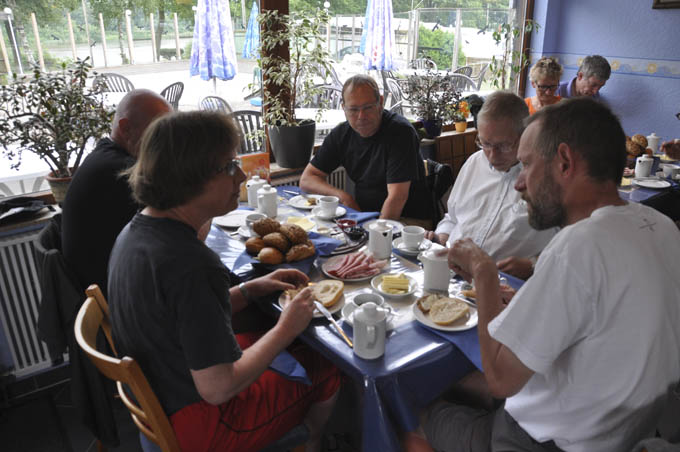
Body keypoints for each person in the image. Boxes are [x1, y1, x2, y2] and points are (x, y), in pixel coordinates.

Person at [413, 98, 680, 452]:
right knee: (452, 381)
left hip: (541, 441)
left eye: (526, 164)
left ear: (564, 162)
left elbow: (500, 379)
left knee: (412, 407)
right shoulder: (662, 226)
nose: (519, 183)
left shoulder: (577, 247)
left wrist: (484, 272)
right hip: (620, 428)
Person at [108, 111, 341, 452]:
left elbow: (183, 315)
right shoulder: (192, 264)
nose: (242, 175)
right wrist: (287, 328)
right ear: (190, 177)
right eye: (230, 166)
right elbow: (218, 389)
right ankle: (307, 441)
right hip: (204, 424)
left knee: (283, 342)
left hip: (166, 394)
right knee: (325, 365)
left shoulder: (135, 233)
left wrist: (251, 288)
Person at [424, 92, 555, 279]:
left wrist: (532, 266)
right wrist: (441, 238)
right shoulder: (474, 163)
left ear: (525, 135)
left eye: (503, 146)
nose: (492, 156)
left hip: (504, 283)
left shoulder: (549, 178)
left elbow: (569, 248)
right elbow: (453, 218)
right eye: (485, 143)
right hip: (452, 273)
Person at [61, 89, 172, 296]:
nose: (167, 141)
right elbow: (184, 234)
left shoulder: (104, 156)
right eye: (158, 131)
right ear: (126, 128)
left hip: (111, 283)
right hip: (121, 297)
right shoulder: (122, 172)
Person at [299, 74, 432, 221]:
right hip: (365, 215)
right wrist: (343, 197)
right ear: (344, 108)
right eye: (353, 109)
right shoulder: (342, 134)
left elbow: (397, 198)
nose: (361, 116)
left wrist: (375, 231)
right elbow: (307, 179)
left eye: (368, 108)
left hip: (408, 220)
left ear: (380, 102)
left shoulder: (400, 132)